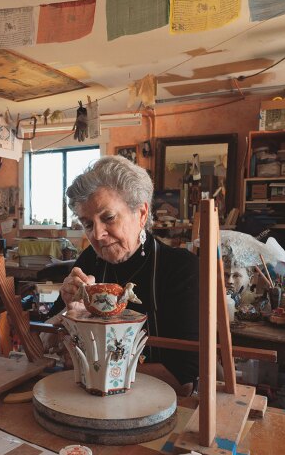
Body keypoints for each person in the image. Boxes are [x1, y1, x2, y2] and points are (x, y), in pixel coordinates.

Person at [50, 155, 200, 386]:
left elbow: (184, 370)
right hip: (95, 394)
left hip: (163, 398)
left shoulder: (180, 268)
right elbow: (47, 337)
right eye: (88, 224)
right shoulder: (90, 260)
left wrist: (99, 375)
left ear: (141, 214)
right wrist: (72, 314)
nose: (97, 234)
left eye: (108, 218)